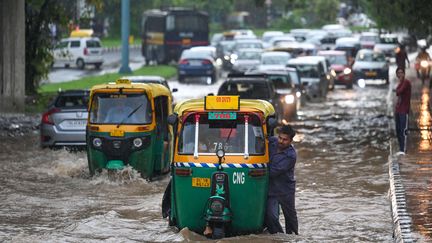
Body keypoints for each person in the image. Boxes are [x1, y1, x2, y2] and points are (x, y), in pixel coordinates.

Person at [265, 124, 298, 235]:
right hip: (272, 190)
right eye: (280, 137)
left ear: (290, 141)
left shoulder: (291, 156)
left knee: (290, 219)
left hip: (285, 190)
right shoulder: (272, 142)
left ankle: (292, 237)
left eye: (285, 140)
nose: (281, 141)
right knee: (271, 216)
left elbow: (273, 172)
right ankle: (279, 237)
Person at [394, 67, 411, 155]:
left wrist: (397, 90)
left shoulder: (406, 82)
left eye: (401, 73)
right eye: (398, 73)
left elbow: (399, 92)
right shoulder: (400, 83)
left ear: (404, 74)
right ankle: (401, 148)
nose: (400, 74)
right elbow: (397, 91)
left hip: (404, 110)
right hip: (398, 110)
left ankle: (403, 149)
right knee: (398, 130)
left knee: (403, 130)